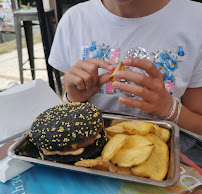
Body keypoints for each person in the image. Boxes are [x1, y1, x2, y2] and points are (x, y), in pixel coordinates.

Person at [48, 0, 202, 135]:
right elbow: (66, 106)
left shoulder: (195, 20)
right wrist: (73, 100)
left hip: (173, 156)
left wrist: (169, 109)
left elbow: (198, 126)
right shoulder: (74, 20)